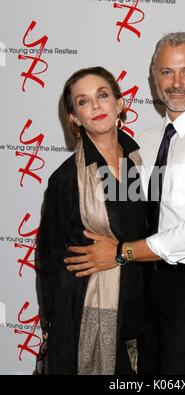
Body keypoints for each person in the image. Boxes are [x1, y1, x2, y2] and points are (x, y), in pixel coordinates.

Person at [65, 32, 185, 375]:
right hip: (143, 279)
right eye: (166, 72)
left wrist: (120, 252)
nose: (176, 83)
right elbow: (128, 210)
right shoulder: (144, 141)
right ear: (153, 76)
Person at [36, 66, 148, 375]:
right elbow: (50, 259)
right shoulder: (67, 178)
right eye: (83, 101)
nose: (96, 106)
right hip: (85, 313)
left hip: (139, 308)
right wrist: (53, 326)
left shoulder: (140, 163)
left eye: (102, 95)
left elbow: (145, 233)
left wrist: (119, 253)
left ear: (120, 104)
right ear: (74, 117)